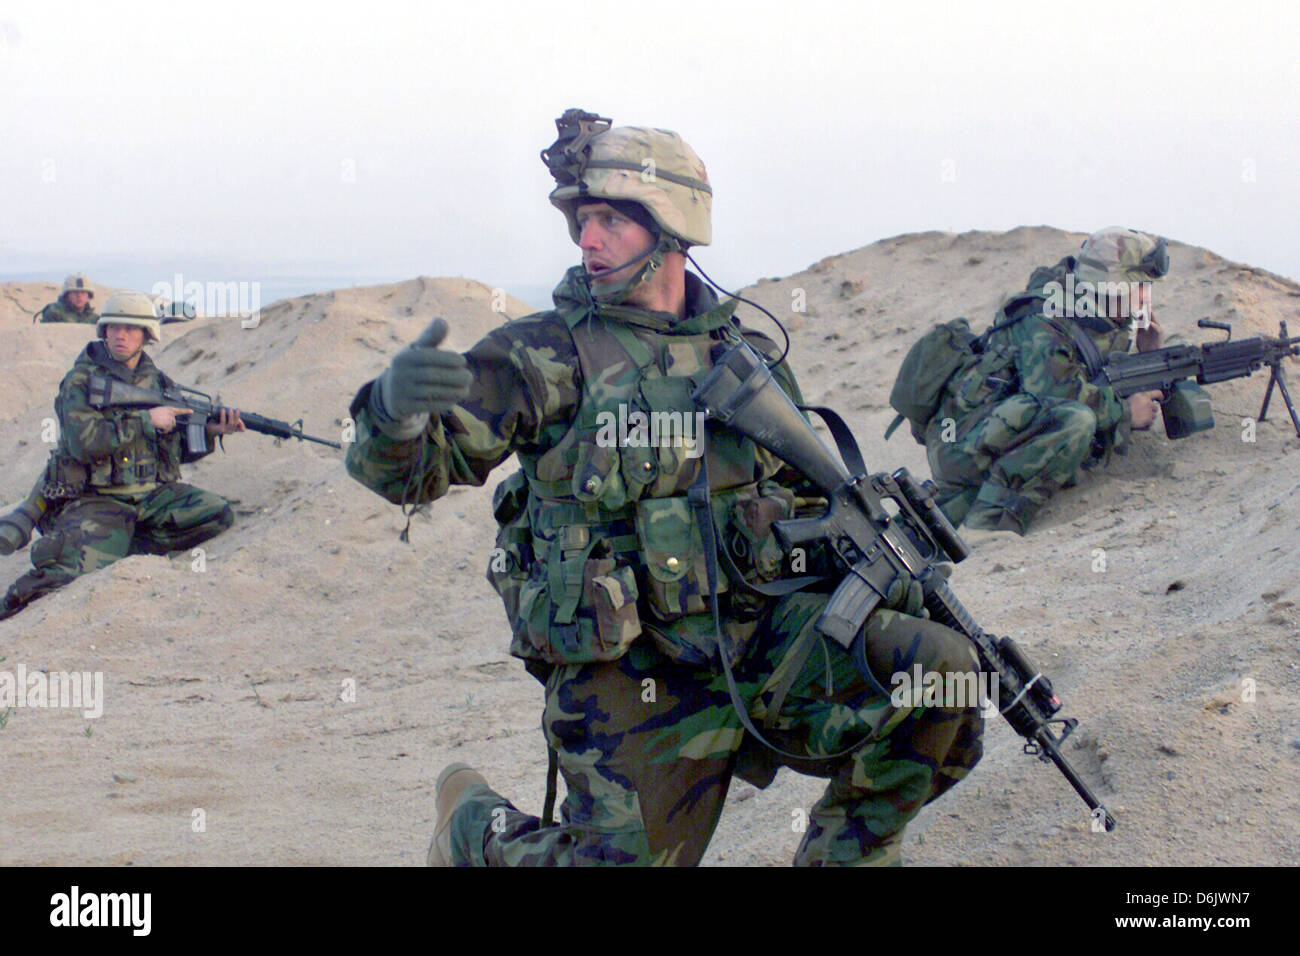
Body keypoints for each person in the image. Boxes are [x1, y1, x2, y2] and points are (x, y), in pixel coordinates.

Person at [344, 111, 984, 866]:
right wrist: (392, 414)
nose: (587, 239)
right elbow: (413, 475)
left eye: (611, 219)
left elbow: (803, 496)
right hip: (633, 672)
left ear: (673, 227)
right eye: (583, 220)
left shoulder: (746, 357)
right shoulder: (542, 354)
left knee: (939, 674)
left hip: (761, 644)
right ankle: (475, 832)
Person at [1, 293, 245, 620]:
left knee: (217, 514)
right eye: (114, 327)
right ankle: (17, 598)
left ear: (147, 334)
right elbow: (83, 444)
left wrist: (213, 432)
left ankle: (114, 545)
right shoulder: (81, 381)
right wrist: (146, 420)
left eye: (131, 328)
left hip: (150, 496)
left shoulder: (158, 382)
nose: (121, 335)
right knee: (68, 575)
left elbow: (170, 451)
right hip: (96, 499)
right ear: (104, 330)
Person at [924, 227, 1170, 534]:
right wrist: (1124, 412)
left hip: (999, 434)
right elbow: (1059, 393)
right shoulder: (1044, 318)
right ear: (1112, 286)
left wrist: (1148, 356)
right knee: (1077, 420)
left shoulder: (1101, 314)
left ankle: (968, 508)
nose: (1147, 297)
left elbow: (1098, 379)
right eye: (1141, 286)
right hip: (962, 445)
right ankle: (989, 525)